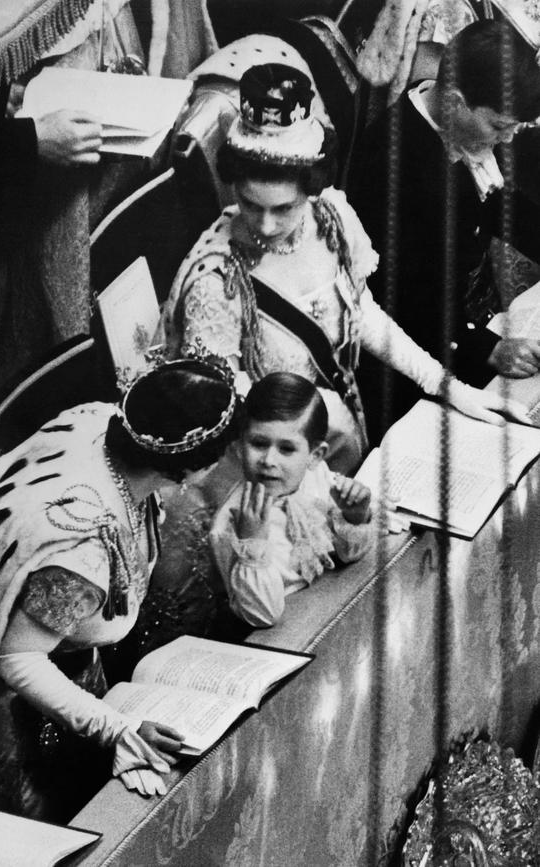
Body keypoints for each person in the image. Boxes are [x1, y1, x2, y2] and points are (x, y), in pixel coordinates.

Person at [0, 356, 240, 846]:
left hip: (65, 669)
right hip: (12, 710)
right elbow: (18, 658)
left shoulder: (99, 420)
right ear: (190, 467)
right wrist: (115, 730)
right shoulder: (83, 547)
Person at [162, 62, 524, 475]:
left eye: (284, 209)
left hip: (341, 435)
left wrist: (447, 386)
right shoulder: (213, 281)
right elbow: (225, 406)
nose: (265, 226)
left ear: (312, 191)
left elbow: (362, 314)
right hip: (263, 463)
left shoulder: (330, 217)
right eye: (249, 204)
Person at [348, 19, 540, 438]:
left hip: (469, 312)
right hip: (419, 356)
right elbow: (396, 298)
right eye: (499, 126)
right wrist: (485, 348)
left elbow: (505, 207)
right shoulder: (390, 165)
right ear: (455, 101)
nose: (506, 140)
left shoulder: (471, 131)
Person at [210, 372, 372, 628]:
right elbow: (262, 616)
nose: (269, 461)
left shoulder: (317, 477)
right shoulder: (231, 524)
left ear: (315, 455)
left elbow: (349, 556)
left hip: (328, 608)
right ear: (240, 446)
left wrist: (354, 517)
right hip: (276, 636)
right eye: (259, 443)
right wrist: (254, 545)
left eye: (286, 449)